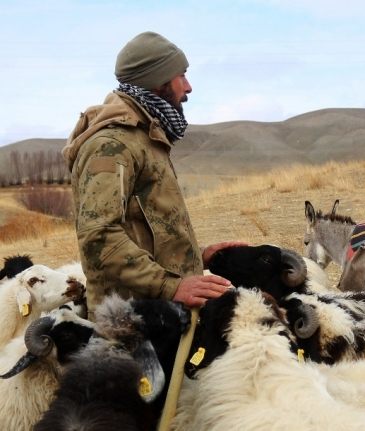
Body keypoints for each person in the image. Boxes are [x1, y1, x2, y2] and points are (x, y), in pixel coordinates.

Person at [63, 31, 238, 319]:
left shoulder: (146, 136)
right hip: (130, 321)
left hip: (160, 313)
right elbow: (99, 236)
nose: (189, 87)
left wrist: (199, 255)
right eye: (181, 75)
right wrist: (169, 285)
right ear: (157, 81)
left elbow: (147, 228)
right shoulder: (112, 145)